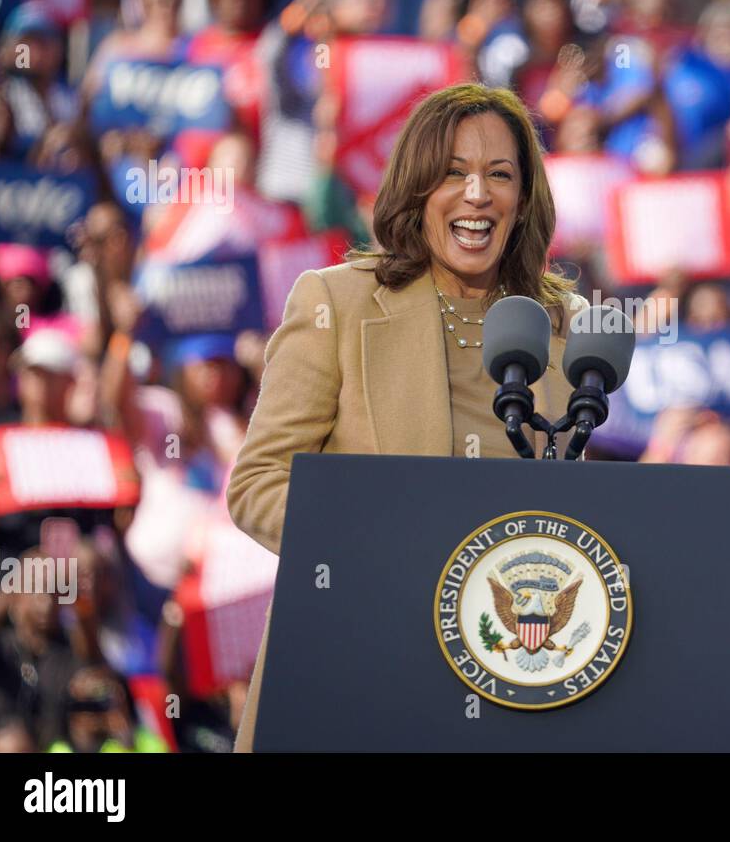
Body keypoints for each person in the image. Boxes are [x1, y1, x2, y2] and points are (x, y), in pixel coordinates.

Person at [226, 82, 587, 751]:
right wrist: (378, 547)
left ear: (523, 199)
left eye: (500, 175)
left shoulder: (559, 329)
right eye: (454, 173)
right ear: (416, 188)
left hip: (503, 674)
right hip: (354, 653)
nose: (478, 194)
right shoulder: (338, 302)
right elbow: (257, 485)